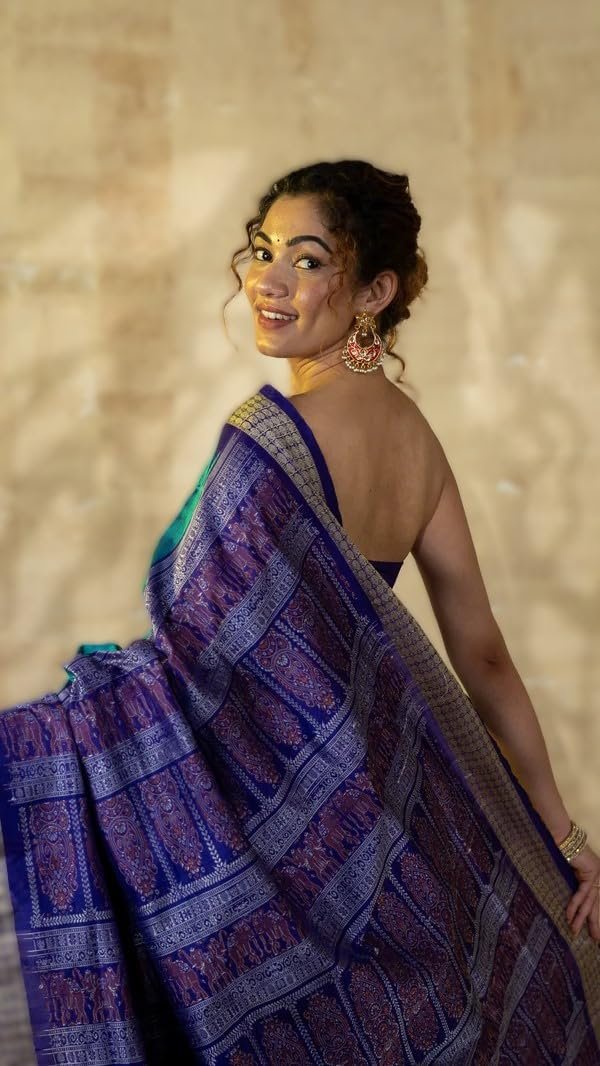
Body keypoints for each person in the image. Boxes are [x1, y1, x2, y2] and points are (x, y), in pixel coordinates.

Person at [0, 159, 599, 1065]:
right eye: (263, 249)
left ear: (375, 293)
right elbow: (484, 659)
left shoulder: (269, 443)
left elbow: (189, 668)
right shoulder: (420, 443)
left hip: (271, 839)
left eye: (308, 260)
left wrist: (61, 727)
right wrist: (564, 836)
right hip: (369, 842)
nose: (268, 281)